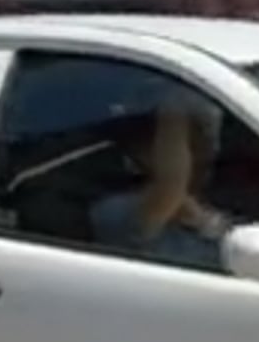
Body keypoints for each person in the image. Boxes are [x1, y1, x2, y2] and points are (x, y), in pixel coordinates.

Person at [89, 89, 232, 270]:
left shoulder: (221, 197)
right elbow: (172, 184)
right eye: (188, 142)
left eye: (206, 137)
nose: (207, 148)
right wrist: (173, 112)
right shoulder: (115, 211)